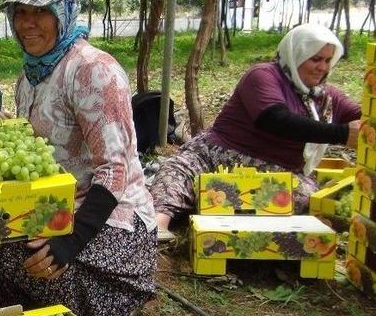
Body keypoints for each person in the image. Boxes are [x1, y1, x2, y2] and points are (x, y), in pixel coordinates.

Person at [0, 0, 157, 316]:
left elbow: (116, 168)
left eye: (40, 12)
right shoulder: (29, 77)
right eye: (20, 12)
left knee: (34, 259)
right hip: (55, 206)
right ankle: (31, 307)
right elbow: (33, 153)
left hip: (111, 218)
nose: (27, 24)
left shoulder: (93, 70)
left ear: (64, 12)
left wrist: (71, 238)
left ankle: (113, 305)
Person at [151, 23, 361, 241]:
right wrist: (341, 134)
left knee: (304, 199)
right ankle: (158, 225)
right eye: (315, 59)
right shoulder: (263, 76)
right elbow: (274, 119)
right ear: (295, 55)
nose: (322, 67)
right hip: (218, 156)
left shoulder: (326, 97)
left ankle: (218, 213)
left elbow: (361, 114)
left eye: (328, 60)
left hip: (276, 173)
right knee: (175, 175)